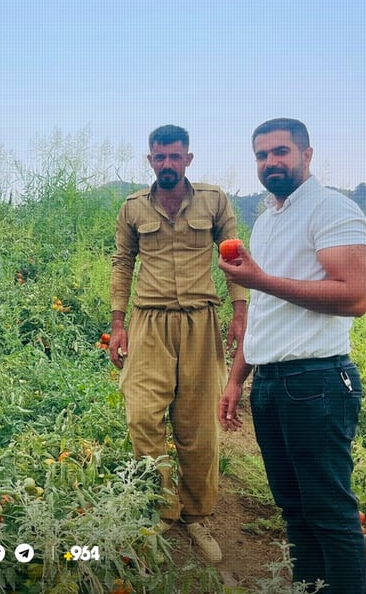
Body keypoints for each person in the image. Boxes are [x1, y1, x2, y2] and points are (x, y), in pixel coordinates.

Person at [218, 118, 366, 593]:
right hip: (272, 384)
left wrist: (259, 280)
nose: (270, 163)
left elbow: (354, 297)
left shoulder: (332, 211)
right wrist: (237, 378)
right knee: (293, 509)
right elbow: (265, 310)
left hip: (317, 382)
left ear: (307, 154)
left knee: (330, 513)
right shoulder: (267, 220)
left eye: (280, 152)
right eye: (262, 155)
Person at [109, 124, 248, 564]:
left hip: (200, 322)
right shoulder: (133, 207)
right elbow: (122, 262)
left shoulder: (214, 200)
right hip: (148, 322)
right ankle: (161, 509)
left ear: (189, 158)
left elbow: (233, 256)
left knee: (198, 427)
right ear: (149, 160)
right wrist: (117, 323)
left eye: (175, 157)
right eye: (159, 157)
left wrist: (240, 311)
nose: (167, 164)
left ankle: (195, 514)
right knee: (142, 415)